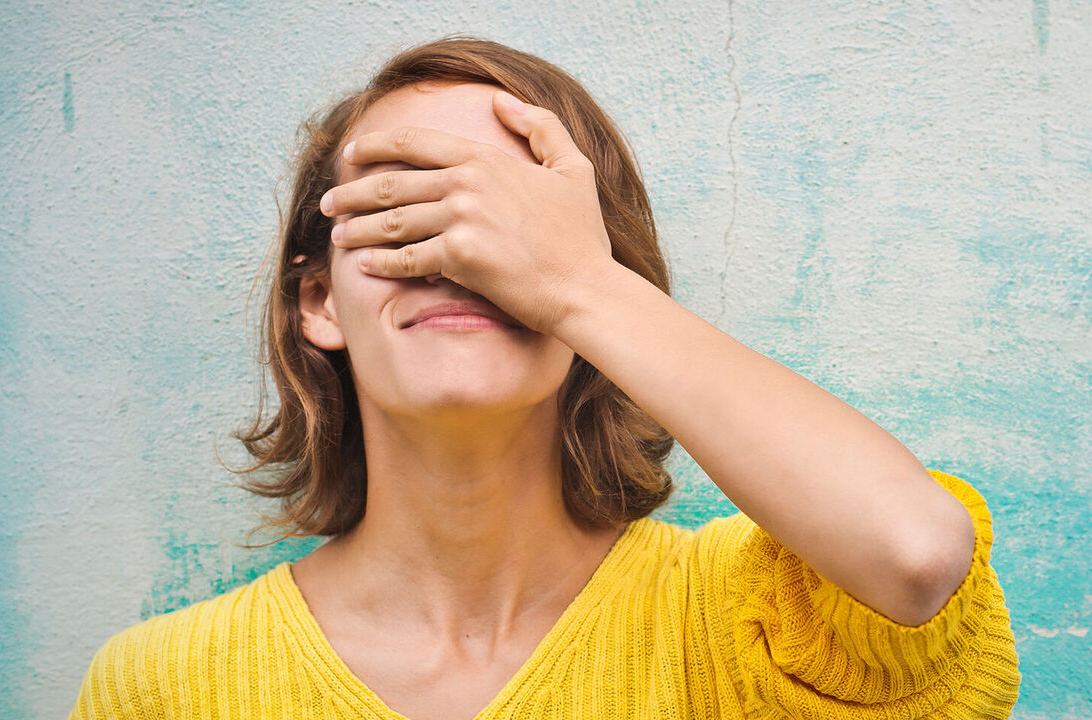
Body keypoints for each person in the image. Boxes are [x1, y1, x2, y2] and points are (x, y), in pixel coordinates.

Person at [68, 37, 1019, 719]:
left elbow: (915, 556)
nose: (461, 254)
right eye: (402, 206)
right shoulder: (166, 687)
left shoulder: (750, 621)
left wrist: (575, 286)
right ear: (319, 301)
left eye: (510, 214)